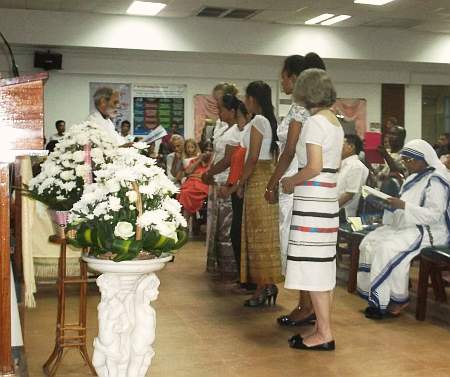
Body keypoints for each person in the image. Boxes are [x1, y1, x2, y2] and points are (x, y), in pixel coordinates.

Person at [281, 69, 343, 351]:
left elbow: (314, 166)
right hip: (327, 199)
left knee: (313, 268)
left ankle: (324, 334)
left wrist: (291, 180)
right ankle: (320, 327)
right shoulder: (334, 122)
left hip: (313, 201)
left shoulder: (314, 123)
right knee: (323, 267)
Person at [264, 53, 327, 327]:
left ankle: (307, 305)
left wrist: (272, 182)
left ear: (294, 77)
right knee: (294, 243)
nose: (281, 80)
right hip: (294, 179)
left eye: (284, 75)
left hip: (294, 181)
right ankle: (305, 303)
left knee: (296, 243)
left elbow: (289, 151)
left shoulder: (301, 111)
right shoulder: (299, 109)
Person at [357, 139, 450, 319]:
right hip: (408, 224)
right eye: (405, 160)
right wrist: (389, 205)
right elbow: (405, 205)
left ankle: (395, 299)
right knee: (370, 242)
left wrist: (403, 206)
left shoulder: (436, 180)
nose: (407, 163)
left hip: (430, 230)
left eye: (410, 160)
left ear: (424, 159)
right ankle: (378, 296)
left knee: (388, 248)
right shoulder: (415, 177)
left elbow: (433, 215)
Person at [235, 80, 282, 306]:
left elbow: (252, 157)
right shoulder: (270, 121)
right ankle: (267, 284)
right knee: (265, 234)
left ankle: (262, 288)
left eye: (246, 98)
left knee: (257, 234)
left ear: (253, 99)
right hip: (267, 173)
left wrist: (241, 182)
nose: (245, 102)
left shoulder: (258, 122)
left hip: (257, 176)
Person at [203, 94, 250, 287]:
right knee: (218, 225)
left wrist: (210, 172)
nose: (219, 112)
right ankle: (221, 265)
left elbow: (228, 160)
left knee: (226, 227)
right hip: (219, 179)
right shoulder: (226, 129)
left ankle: (231, 268)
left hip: (228, 182)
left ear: (232, 112)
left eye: (222, 109)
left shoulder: (238, 132)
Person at [177, 141, 212, 225]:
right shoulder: (195, 160)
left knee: (187, 193)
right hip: (191, 182)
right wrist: (199, 160)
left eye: (210, 150)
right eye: (205, 150)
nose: (207, 152)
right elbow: (188, 171)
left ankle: (185, 222)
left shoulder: (213, 161)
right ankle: (185, 223)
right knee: (183, 192)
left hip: (203, 183)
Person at [337, 134, 369, 218]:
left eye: (341, 144)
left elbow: (349, 194)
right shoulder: (344, 164)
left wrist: (329, 209)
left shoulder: (356, 166)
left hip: (343, 215)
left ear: (351, 147)